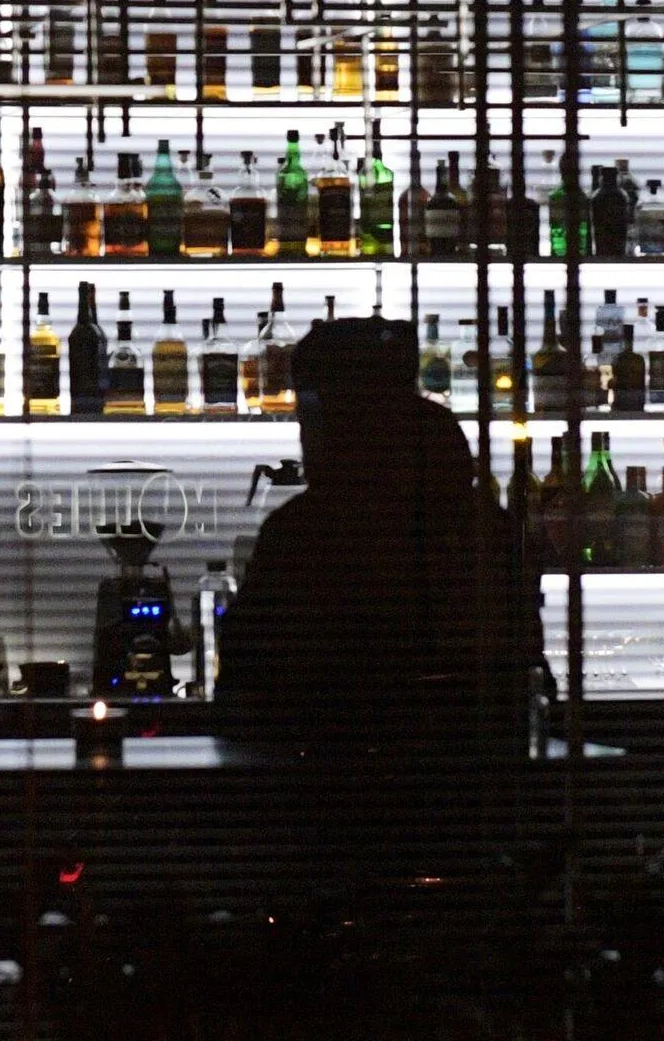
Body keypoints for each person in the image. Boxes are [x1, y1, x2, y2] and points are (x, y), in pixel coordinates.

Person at [216, 317, 545, 757]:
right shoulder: (484, 523)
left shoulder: (307, 530)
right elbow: (524, 673)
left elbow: (249, 683)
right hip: (476, 771)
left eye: (311, 408)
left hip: (333, 773)